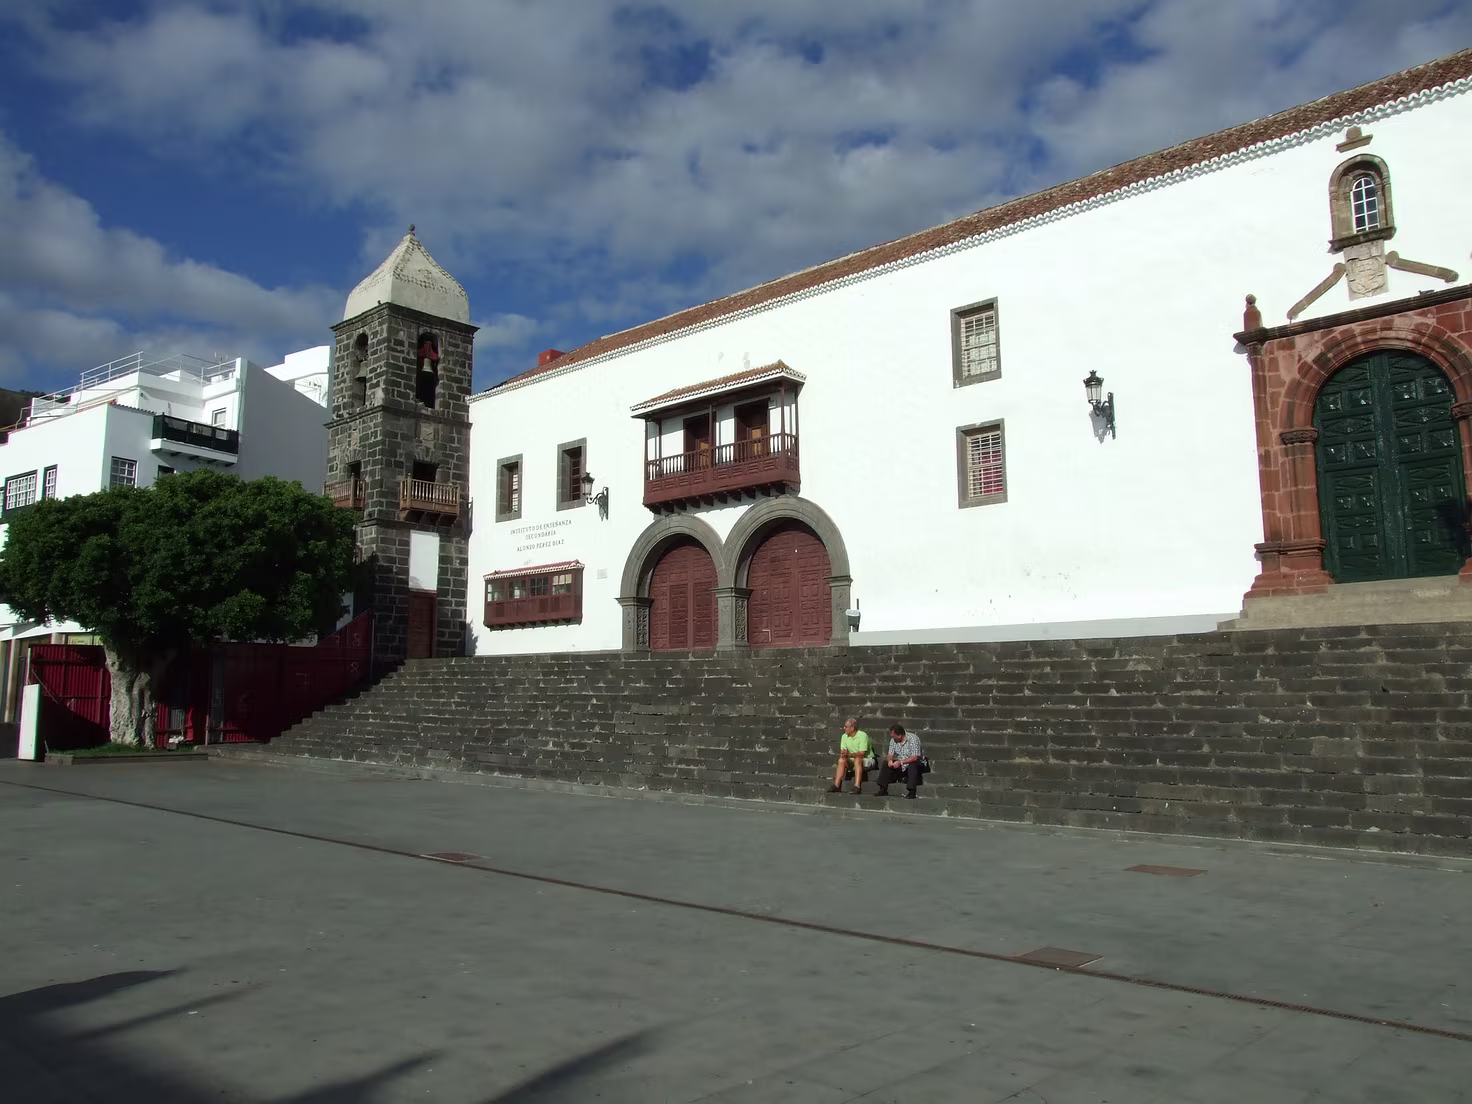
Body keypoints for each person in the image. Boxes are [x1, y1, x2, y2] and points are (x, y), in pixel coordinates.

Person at [875, 724, 924, 799]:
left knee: (913, 764)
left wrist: (901, 762)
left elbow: (915, 757)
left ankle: (912, 791)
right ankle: (883, 788)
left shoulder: (913, 739)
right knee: (886, 763)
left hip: (914, 763)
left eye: (893, 736)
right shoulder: (893, 740)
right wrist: (890, 761)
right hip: (901, 763)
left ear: (900, 735)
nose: (892, 738)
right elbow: (890, 754)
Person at [829, 718, 871, 794]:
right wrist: (843, 754)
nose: (844, 728)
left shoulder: (862, 735)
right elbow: (843, 751)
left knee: (858, 759)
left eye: (846, 727)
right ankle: (836, 785)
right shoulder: (844, 736)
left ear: (852, 728)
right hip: (852, 758)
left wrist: (849, 754)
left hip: (867, 759)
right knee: (841, 760)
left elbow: (862, 754)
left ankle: (857, 786)